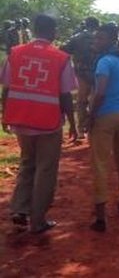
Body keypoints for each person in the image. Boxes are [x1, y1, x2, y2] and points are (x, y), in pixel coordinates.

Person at [1, 13, 78, 233]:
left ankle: (19, 209)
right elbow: (65, 96)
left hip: (21, 119)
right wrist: (72, 123)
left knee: (27, 163)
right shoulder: (61, 58)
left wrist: (4, 115)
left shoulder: (15, 53)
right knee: (46, 169)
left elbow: (6, 88)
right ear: (53, 32)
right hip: (48, 123)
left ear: (34, 29)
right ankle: (38, 221)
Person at [88, 22, 119, 232]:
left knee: (100, 164)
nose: (95, 41)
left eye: (100, 38)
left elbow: (100, 93)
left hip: (105, 116)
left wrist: (91, 116)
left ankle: (100, 219)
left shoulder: (104, 62)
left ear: (110, 40)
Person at [60, 16, 100, 140]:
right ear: (97, 25)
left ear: (85, 24)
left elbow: (63, 49)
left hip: (81, 72)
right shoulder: (101, 37)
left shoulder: (77, 37)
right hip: (99, 73)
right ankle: (94, 128)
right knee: (97, 100)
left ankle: (81, 129)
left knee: (81, 101)